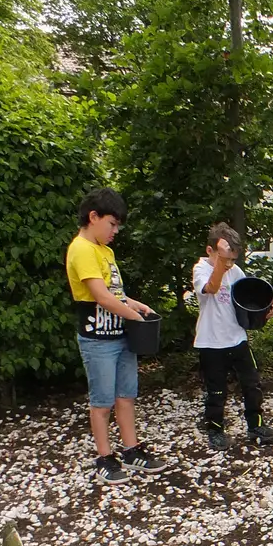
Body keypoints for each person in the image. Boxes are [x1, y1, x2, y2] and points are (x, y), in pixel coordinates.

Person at [66, 187, 170, 485]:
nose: (115, 232)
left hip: (121, 336)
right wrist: (134, 316)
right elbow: (100, 296)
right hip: (97, 339)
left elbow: (116, 294)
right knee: (102, 401)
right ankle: (104, 457)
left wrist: (136, 305)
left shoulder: (105, 251)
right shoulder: (81, 249)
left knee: (127, 396)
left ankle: (131, 449)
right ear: (93, 216)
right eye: (112, 224)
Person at [192, 223, 273, 451]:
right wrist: (221, 261)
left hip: (236, 338)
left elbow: (248, 296)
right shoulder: (200, 269)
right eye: (226, 259)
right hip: (211, 342)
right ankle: (215, 430)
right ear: (211, 251)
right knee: (216, 389)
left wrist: (268, 308)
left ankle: (255, 425)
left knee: (252, 383)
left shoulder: (235, 272)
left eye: (233, 260)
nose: (230, 265)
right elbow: (210, 288)